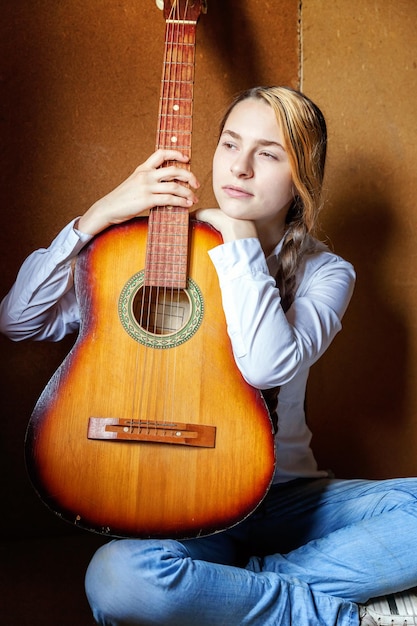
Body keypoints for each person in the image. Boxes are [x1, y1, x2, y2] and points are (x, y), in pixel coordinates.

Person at [1, 85, 417, 626]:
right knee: (118, 576)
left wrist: (239, 237)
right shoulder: (138, 252)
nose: (239, 167)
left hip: (289, 497)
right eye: (229, 144)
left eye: (268, 154)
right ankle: (330, 614)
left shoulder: (326, 272)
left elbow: (267, 366)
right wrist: (97, 216)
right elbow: (18, 319)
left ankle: (234, 592)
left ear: (301, 178)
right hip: (189, 509)